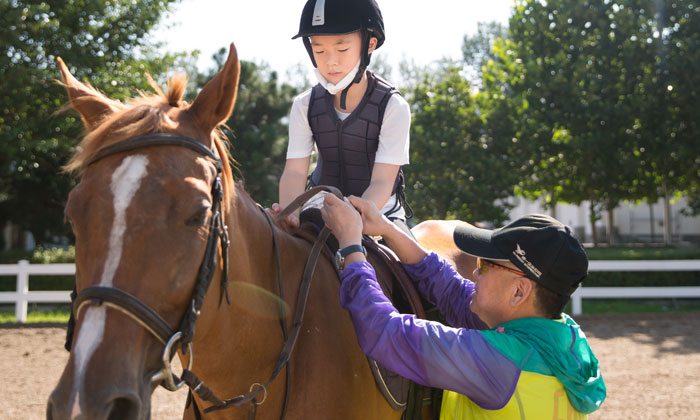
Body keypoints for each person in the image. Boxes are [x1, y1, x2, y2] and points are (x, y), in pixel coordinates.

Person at [320, 194, 606, 419]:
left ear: (519, 291)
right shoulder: (560, 338)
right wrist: (388, 230)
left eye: (486, 265)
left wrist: (350, 246)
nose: (475, 273)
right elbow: (452, 290)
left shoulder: (500, 363)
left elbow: (387, 332)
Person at [271, 0, 412, 230]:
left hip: (379, 213)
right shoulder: (304, 105)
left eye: (342, 49)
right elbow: (295, 171)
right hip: (319, 208)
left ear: (370, 44)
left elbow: (381, 181)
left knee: (410, 266)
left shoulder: (393, 107)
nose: (330, 61)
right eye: (319, 50)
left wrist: (350, 220)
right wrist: (290, 212)